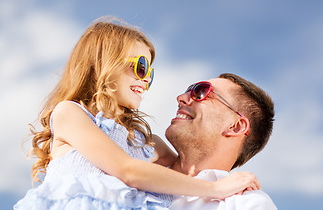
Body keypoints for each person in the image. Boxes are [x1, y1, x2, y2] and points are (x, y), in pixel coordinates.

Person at [14, 18, 261, 210]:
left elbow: (184, 169)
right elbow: (128, 170)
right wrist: (215, 189)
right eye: (140, 67)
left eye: (149, 74)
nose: (144, 80)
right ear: (102, 65)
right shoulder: (70, 114)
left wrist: (228, 181)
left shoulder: (144, 142)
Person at [161, 73, 277, 209]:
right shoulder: (138, 159)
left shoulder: (247, 205)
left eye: (202, 91)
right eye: (188, 90)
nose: (181, 98)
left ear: (235, 126)